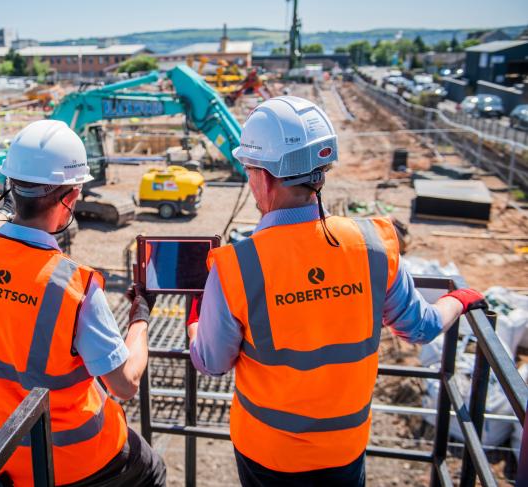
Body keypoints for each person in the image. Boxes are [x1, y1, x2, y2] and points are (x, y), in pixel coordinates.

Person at [186, 96, 486, 486]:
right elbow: (421, 327)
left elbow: (211, 362)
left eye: (248, 169)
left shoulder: (235, 266)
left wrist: (195, 321)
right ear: (320, 172)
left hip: (268, 452)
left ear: (262, 176)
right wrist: (459, 298)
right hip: (344, 448)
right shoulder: (374, 243)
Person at [0, 120, 166, 486]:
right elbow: (125, 384)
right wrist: (140, 316)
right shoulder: (73, 286)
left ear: (9, 186)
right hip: (72, 458)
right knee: (151, 469)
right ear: (71, 198)